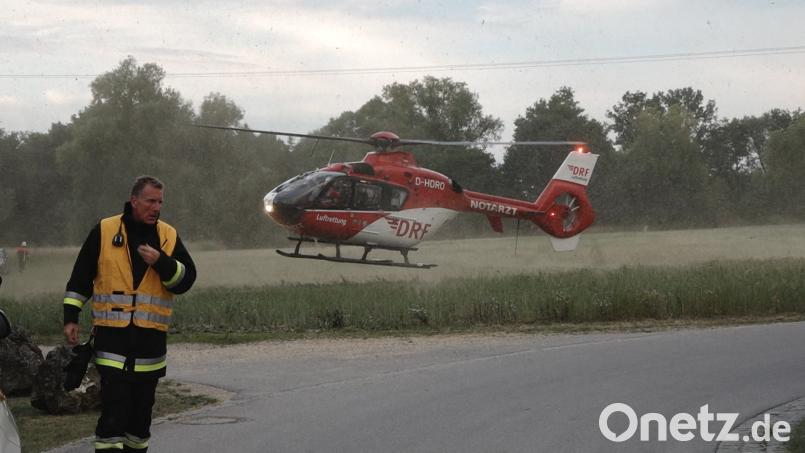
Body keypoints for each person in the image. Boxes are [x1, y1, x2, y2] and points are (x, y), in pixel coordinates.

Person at [63, 175, 196, 452]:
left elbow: (186, 280)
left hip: (150, 348)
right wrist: (71, 317)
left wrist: (163, 262)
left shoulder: (168, 236)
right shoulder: (104, 230)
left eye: (160, 202)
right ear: (134, 200)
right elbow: (80, 277)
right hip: (112, 344)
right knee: (113, 418)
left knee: (140, 423)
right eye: (150, 201)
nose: (156, 207)